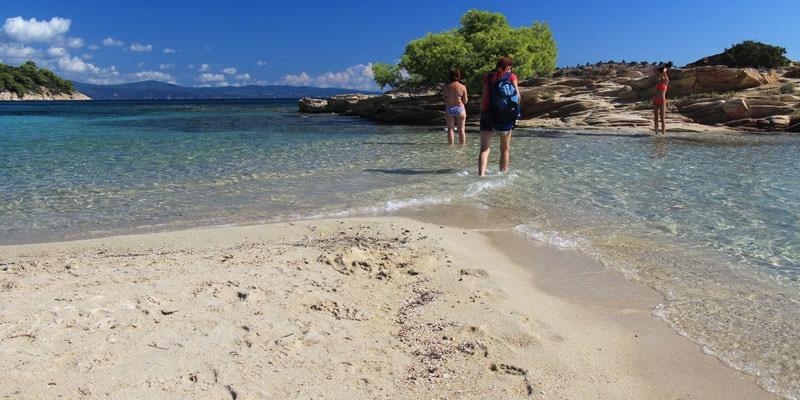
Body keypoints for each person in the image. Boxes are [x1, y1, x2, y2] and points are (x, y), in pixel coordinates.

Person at [478, 56, 521, 176]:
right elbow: (517, 97)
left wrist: (483, 113)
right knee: (505, 149)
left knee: (484, 149)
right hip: (506, 117)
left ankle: (481, 175)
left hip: (488, 115)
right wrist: (514, 115)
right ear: (509, 67)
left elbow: (485, 98)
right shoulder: (512, 77)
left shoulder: (488, 77)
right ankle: (503, 175)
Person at [443, 67, 468, 145]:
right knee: (461, 129)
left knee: (450, 129)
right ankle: (462, 147)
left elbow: (445, 99)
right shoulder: (462, 87)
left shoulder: (446, 87)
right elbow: (465, 101)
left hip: (450, 108)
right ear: (458, 75)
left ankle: (451, 147)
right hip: (460, 108)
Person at [652, 62, 672, 135]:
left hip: (662, 101)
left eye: (663, 75)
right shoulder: (658, 80)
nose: (662, 76)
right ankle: (656, 133)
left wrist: (665, 68)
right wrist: (661, 66)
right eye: (661, 74)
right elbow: (654, 69)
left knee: (663, 119)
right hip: (655, 100)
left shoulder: (666, 82)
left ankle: (663, 135)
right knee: (656, 118)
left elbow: (664, 73)